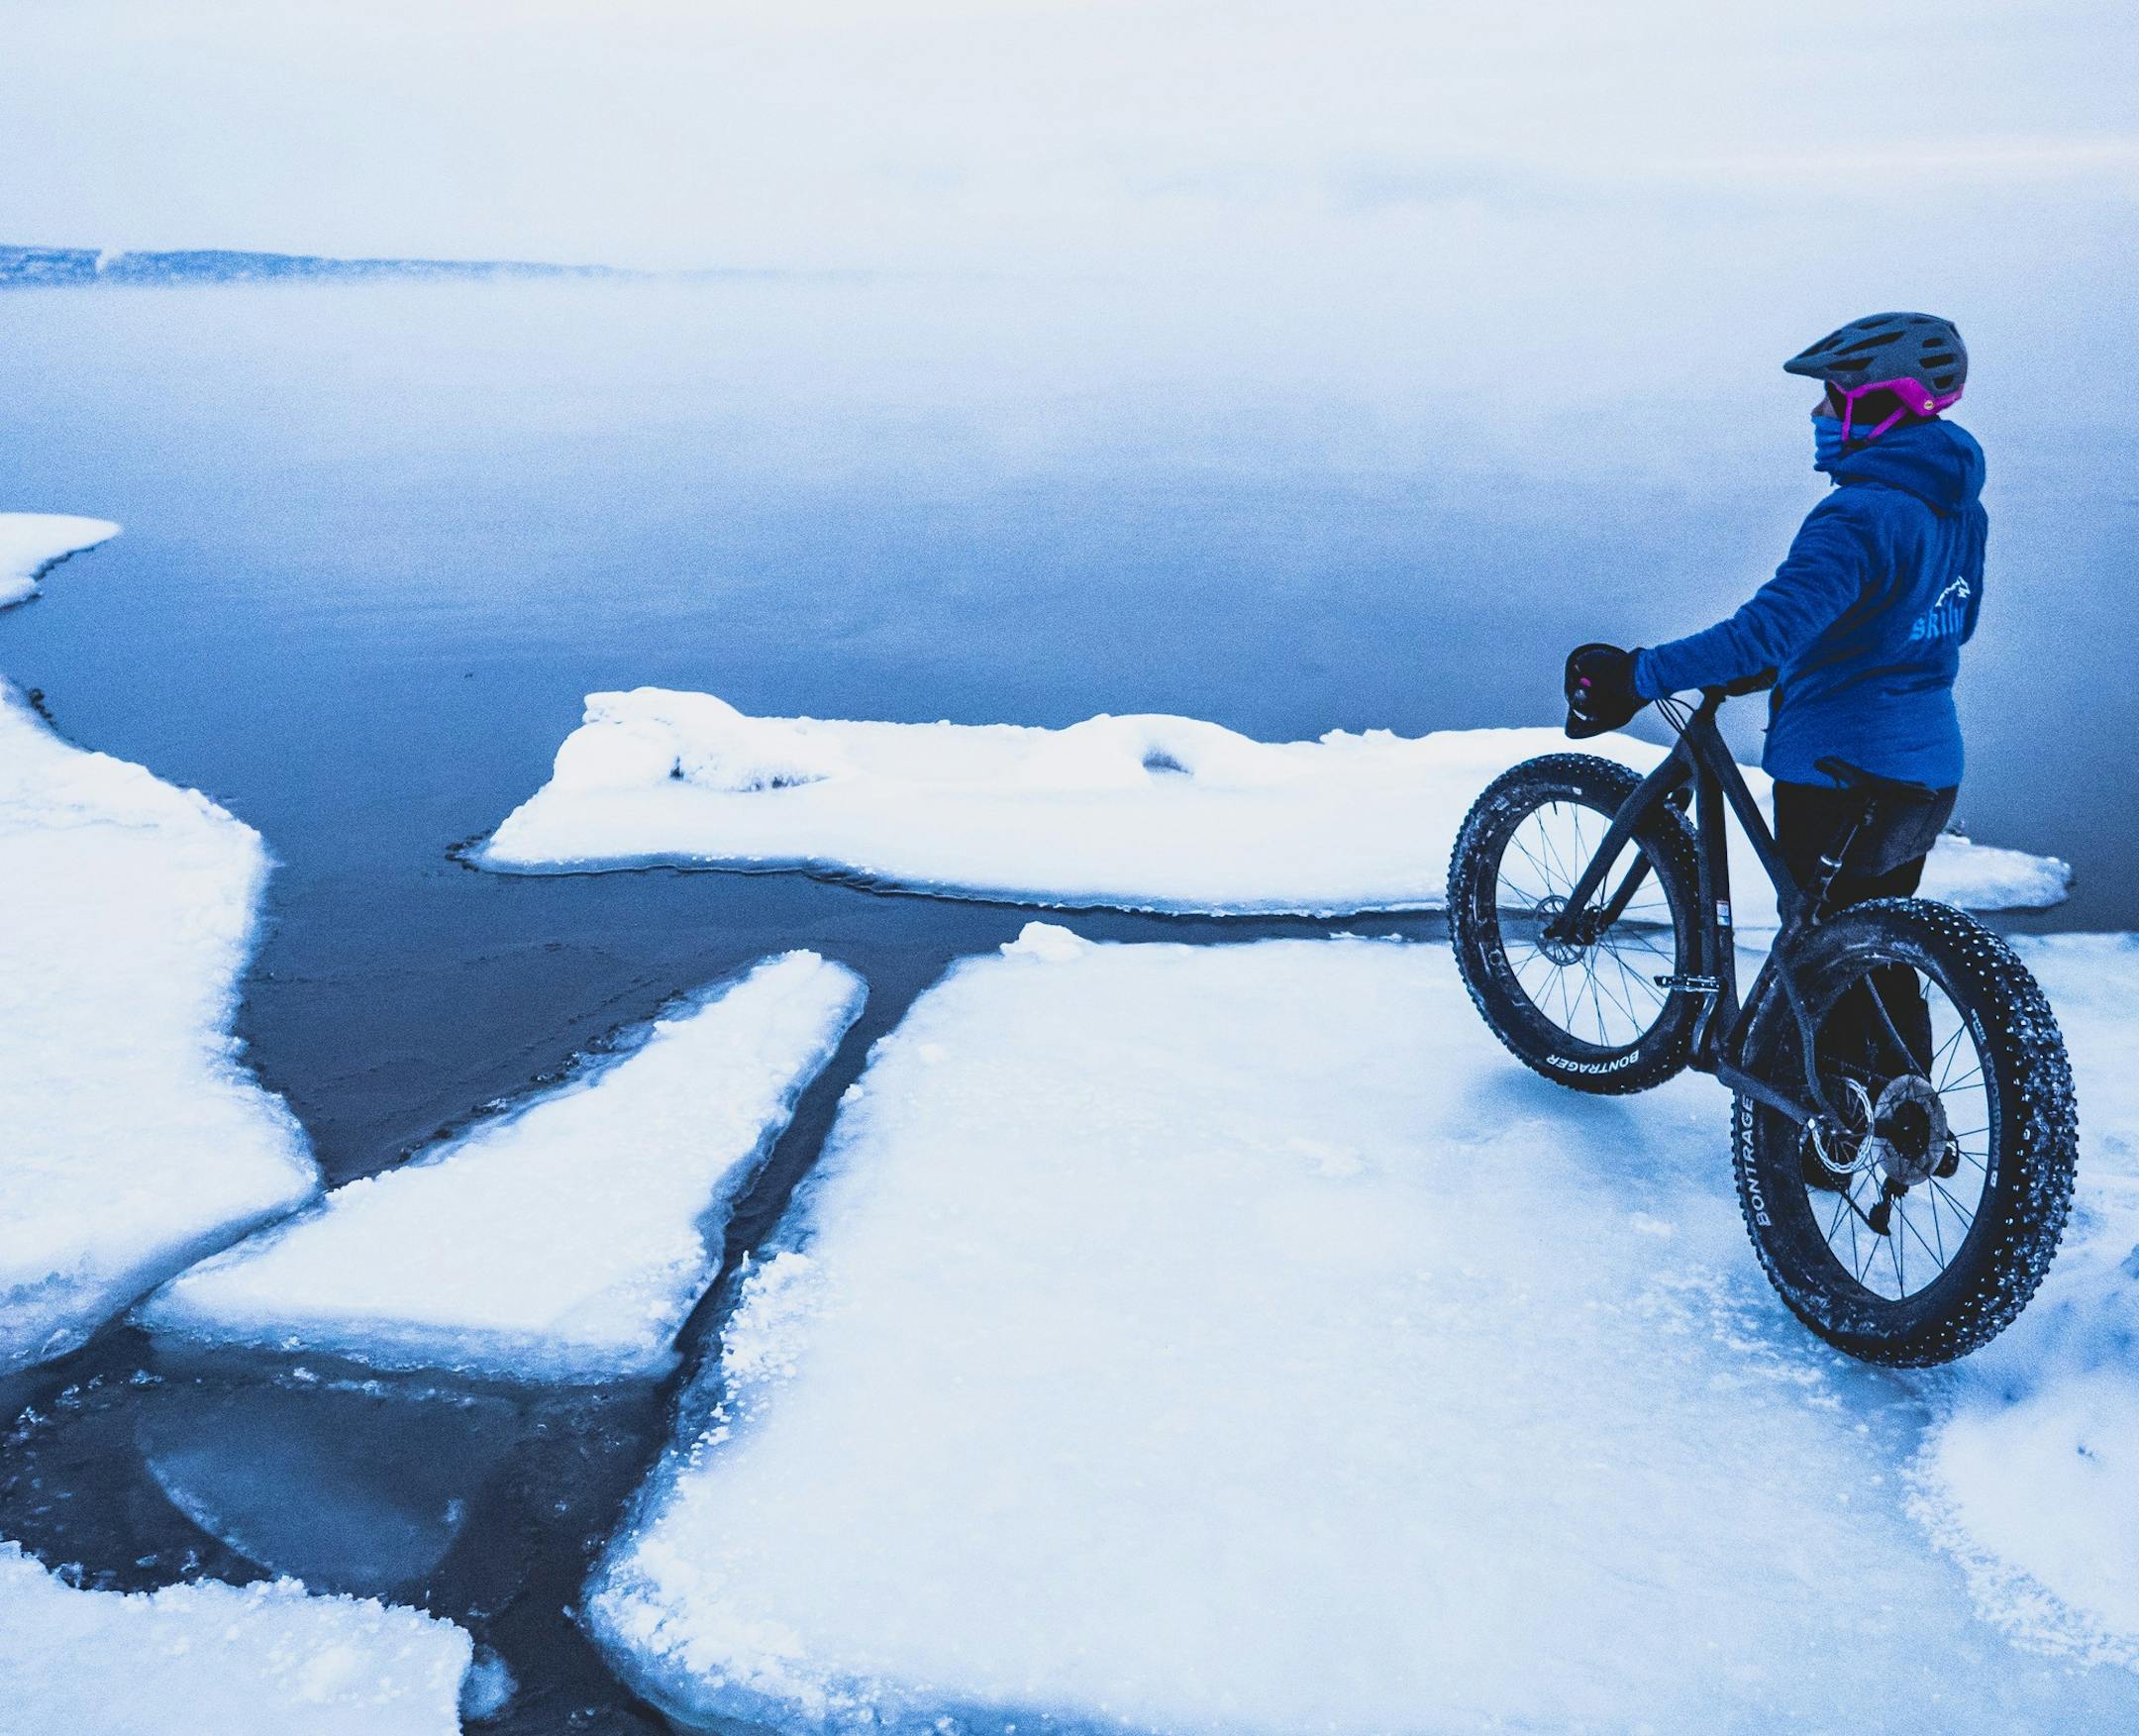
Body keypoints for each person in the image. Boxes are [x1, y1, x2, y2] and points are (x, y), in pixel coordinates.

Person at [1567, 312, 1984, 1107]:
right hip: (1927, 769)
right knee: (1879, 950)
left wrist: (1638, 675)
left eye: (1832, 397)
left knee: (1820, 969)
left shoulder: (1857, 514)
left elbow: (1764, 629)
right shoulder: (1958, 506)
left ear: (1879, 405)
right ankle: (1905, 1103)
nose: (1819, 415)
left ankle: (1812, 1140)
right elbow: (1930, 620)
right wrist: (1799, 660)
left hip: (1839, 774)